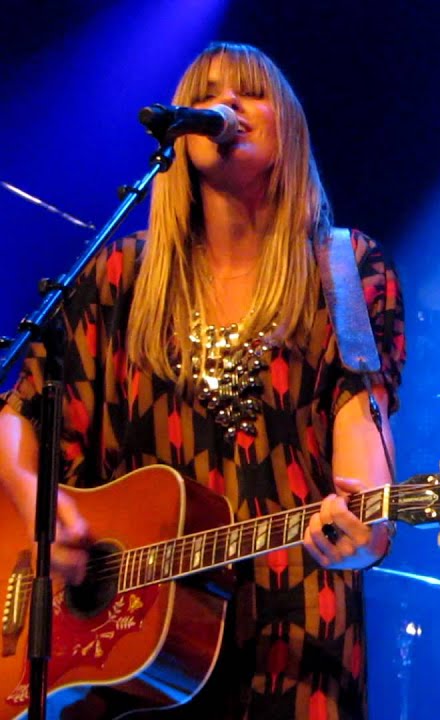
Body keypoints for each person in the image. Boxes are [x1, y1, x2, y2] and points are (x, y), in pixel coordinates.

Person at [0, 42, 405, 718]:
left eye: (250, 92)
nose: (228, 104)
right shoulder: (118, 278)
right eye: (209, 94)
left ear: (290, 128)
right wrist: (42, 509)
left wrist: (367, 531)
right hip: (129, 643)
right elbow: (17, 412)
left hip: (294, 626)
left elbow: (364, 426)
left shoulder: (343, 266)